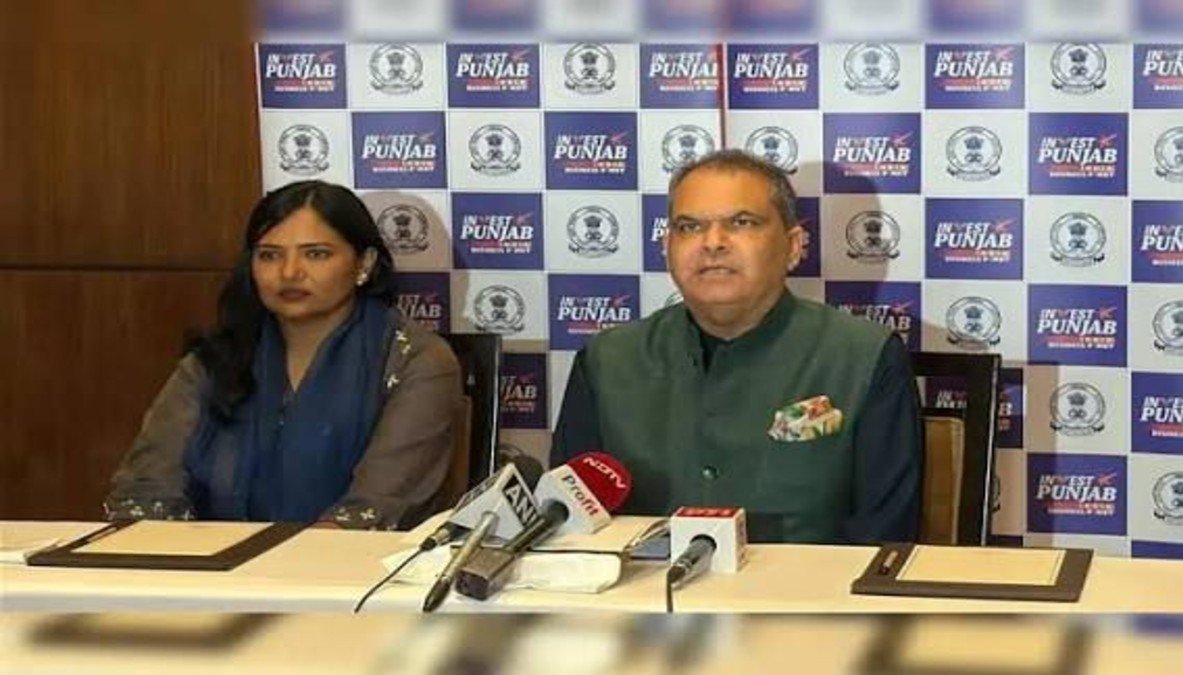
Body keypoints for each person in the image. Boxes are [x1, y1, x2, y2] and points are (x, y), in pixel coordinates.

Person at [551, 150, 922, 544]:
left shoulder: (864, 357)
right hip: (646, 583)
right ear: (667, 246)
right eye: (689, 227)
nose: (713, 243)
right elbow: (570, 528)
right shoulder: (607, 360)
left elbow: (885, 540)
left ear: (793, 246)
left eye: (742, 223)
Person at [105, 181, 461, 529]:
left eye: (316, 254)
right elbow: (147, 486)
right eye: (269, 255)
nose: (289, 273)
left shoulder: (414, 361)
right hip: (207, 562)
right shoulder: (217, 359)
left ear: (363, 264)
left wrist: (277, 561)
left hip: (346, 565)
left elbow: (375, 506)